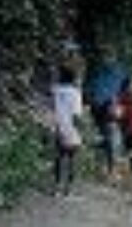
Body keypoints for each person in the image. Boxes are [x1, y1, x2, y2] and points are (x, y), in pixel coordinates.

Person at [85, 47, 128, 177]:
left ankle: (109, 167)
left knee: (109, 136)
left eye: (108, 56)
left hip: (108, 106)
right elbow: (89, 87)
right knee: (106, 136)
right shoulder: (98, 70)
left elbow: (125, 88)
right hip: (101, 106)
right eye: (105, 56)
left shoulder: (118, 70)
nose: (106, 59)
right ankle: (106, 167)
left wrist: (118, 101)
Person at [51, 66, 82, 195]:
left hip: (58, 127)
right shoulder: (75, 93)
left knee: (59, 158)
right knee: (72, 159)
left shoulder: (55, 90)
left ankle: (57, 187)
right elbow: (76, 116)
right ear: (73, 78)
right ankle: (68, 189)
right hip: (71, 129)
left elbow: (51, 107)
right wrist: (80, 130)